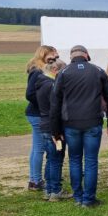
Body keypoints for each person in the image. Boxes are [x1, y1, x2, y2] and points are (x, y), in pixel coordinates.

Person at [51, 45, 108, 208]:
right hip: (93, 123)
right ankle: (88, 199)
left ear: (71, 56)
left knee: (74, 160)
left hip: (71, 124)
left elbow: (55, 103)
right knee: (91, 161)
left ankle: (78, 197)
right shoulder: (98, 70)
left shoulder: (64, 73)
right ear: (86, 55)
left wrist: (56, 130)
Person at [35, 59, 72, 201]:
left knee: (50, 159)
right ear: (56, 70)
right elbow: (55, 110)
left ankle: (49, 190)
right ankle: (55, 190)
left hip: (44, 124)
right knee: (56, 159)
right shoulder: (51, 85)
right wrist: (57, 131)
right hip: (52, 127)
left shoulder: (42, 83)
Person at [25, 45, 58, 191]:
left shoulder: (39, 70)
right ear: (44, 55)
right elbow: (30, 94)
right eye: (53, 56)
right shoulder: (37, 72)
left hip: (36, 113)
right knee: (39, 148)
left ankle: (33, 179)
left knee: (36, 148)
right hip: (38, 114)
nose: (55, 59)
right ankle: (36, 180)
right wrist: (44, 104)